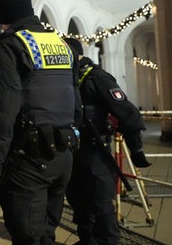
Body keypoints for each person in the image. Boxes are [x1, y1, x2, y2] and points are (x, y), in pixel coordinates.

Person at [0, 0, 81, 244]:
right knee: (47, 234)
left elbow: (1, 112)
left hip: (29, 160)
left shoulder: (10, 47)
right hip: (63, 155)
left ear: (5, 18)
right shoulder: (60, 44)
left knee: (28, 237)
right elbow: (75, 102)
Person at [64, 37, 151, 245]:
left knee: (101, 202)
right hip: (75, 152)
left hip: (96, 152)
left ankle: (108, 240)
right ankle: (88, 240)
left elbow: (128, 114)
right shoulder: (67, 79)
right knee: (78, 199)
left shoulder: (96, 78)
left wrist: (136, 150)